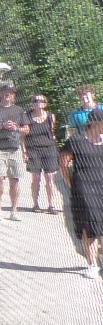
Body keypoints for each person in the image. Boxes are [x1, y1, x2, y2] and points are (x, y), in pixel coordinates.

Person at [62, 107, 103, 278]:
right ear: (94, 123)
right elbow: (64, 163)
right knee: (90, 227)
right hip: (83, 188)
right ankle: (92, 264)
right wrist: (72, 184)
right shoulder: (76, 140)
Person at [0, 83, 29, 221]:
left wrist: (16, 128)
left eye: (11, 92)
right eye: (5, 92)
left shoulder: (19, 110)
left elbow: (26, 129)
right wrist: (1, 126)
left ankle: (14, 211)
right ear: (1, 93)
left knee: (15, 180)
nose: (8, 94)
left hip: (14, 148)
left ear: (14, 95)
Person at [25, 93, 61, 213]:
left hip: (49, 149)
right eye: (35, 100)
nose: (38, 102)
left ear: (45, 104)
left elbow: (53, 133)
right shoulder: (27, 117)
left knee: (50, 178)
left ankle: (51, 205)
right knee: (36, 177)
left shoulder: (51, 116)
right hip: (33, 149)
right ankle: (35, 204)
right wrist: (24, 152)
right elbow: (22, 136)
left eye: (40, 101)